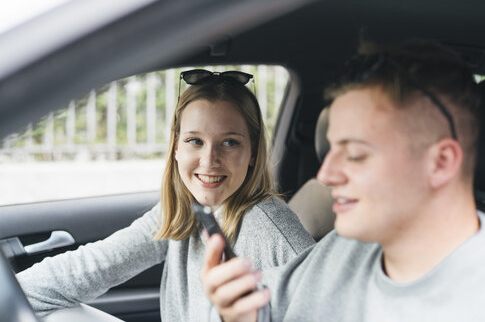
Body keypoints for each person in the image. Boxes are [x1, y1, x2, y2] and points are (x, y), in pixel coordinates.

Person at [201, 39, 485, 321]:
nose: (326, 176)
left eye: (354, 154)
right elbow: (263, 305)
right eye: (330, 149)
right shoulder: (347, 246)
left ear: (440, 163)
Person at [17, 70, 315, 321]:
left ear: (252, 153)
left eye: (229, 143)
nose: (209, 159)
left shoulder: (270, 227)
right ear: (176, 148)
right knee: (44, 310)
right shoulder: (184, 211)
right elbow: (91, 266)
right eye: (195, 141)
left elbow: (327, 302)